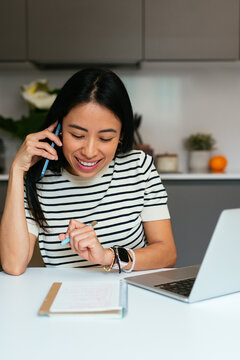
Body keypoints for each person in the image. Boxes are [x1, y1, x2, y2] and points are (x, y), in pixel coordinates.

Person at [0, 68, 177, 275]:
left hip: (133, 297)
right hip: (65, 299)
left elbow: (167, 254)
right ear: (58, 129)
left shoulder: (139, 167)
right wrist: (17, 170)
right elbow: (13, 265)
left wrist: (107, 256)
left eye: (105, 138)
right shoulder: (37, 178)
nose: (89, 152)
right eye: (77, 135)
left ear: (120, 135)